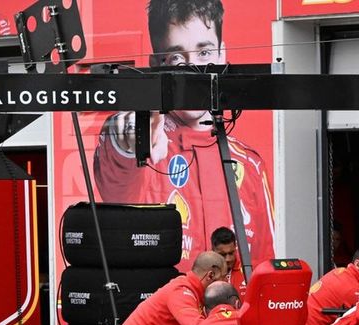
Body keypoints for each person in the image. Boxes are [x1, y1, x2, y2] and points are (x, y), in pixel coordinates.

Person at [93, 0, 275, 273]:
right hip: (165, 312)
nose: (193, 71)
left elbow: (265, 267)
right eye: (177, 57)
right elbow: (119, 151)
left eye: (204, 53)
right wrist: (134, 132)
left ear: (222, 55)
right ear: (155, 64)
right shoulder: (146, 145)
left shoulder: (250, 164)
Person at [211, 226, 247, 298]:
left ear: (235, 248)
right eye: (222, 254)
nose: (228, 259)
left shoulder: (247, 271)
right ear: (213, 251)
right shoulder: (206, 274)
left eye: (231, 253)